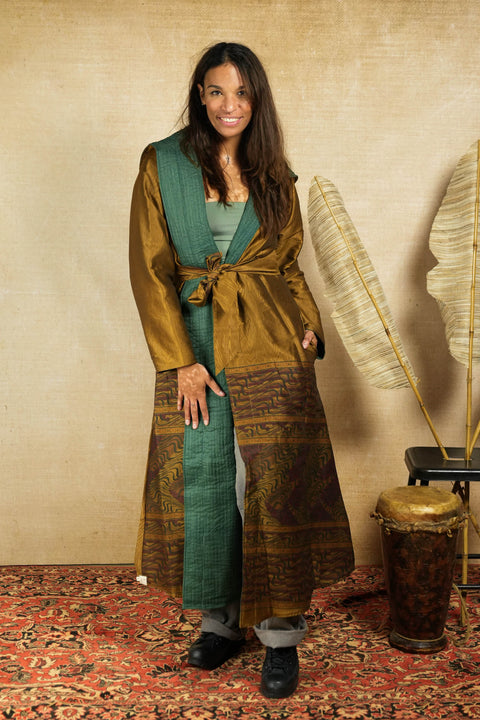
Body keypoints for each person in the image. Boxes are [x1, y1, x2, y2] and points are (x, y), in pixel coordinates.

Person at [129, 41, 354, 699]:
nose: (230, 105)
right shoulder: (163, 164)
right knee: (206, 481)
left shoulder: (274, 173)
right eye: (217, 91)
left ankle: (280, 637)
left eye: (242, 93)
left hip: (272, 339)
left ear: (257, 100)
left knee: (273, 485)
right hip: (194, 338)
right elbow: (149, 269)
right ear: (200, 95)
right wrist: (180, 362)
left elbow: (288, 264)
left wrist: (309, 325)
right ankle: (220, 624)